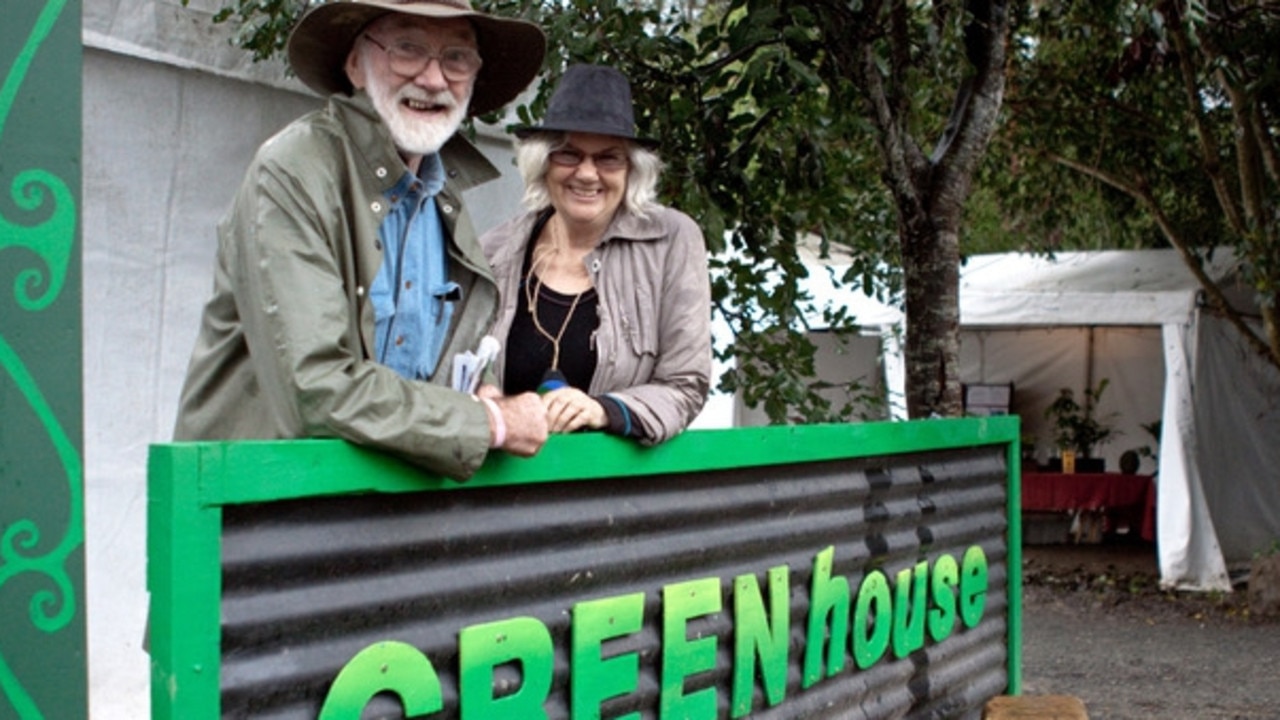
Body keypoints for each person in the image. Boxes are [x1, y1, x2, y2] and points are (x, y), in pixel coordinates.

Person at [173, 0, 550, 480]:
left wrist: (486, 388)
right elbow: (316, 387)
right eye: (408, 49)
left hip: (378, 516)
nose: (434, 79)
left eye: (456, 58)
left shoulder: (442, 197)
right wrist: (490, 423)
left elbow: (450, 352)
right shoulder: (293, 171)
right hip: (264, 512)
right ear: (355, 64)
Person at [480, 64, 711, 444]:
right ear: (543, 162)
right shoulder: (495, 249)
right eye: (568, 155)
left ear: (632, 170)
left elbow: (685, 385)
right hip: (505, 489)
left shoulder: (671, 240)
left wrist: (604, 409)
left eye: (608, 158)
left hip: (614, 493)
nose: (587, 174)